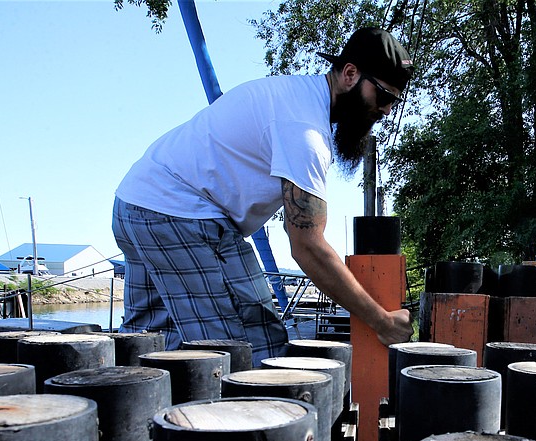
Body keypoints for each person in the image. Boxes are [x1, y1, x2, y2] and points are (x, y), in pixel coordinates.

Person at [112, 27, 415, 364]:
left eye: (395, 101)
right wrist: (381, 321)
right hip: (178, 212)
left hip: (133, 204)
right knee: (250, 349)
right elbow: (308, 248)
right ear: (349, 74)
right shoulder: (305, 132)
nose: (387, 110)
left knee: (148, 343)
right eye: (384, 95)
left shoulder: (294, 95)